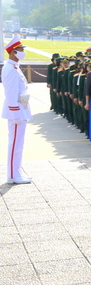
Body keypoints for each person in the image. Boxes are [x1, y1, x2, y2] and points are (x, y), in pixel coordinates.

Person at [3, 35, 32, 184]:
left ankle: (16, 172)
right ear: (14, 52)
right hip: (17, 112)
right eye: (21, 49)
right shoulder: (11, 69)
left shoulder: (14, 67)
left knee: (18, 144)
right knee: (15, 144)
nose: (22, 52)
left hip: (20, 109)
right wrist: (16, 115)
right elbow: (11, 94)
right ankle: (13, 175)